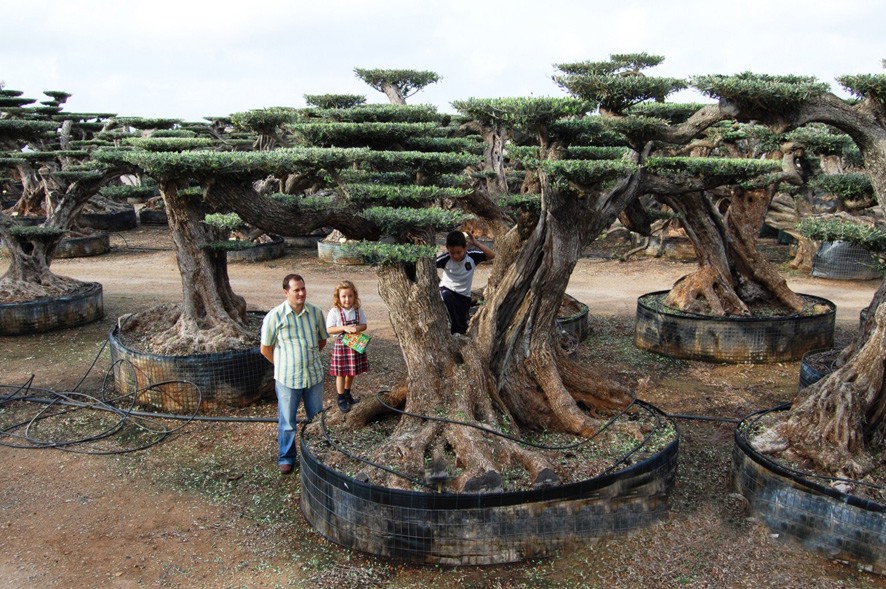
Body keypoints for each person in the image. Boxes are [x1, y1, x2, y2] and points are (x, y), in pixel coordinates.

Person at [260, 273, 328, 475]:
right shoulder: (275, 316)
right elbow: (265, 348)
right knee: (288, 422)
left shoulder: (315, 313)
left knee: (316, 418)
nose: (301, 293)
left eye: (303, 289)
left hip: (313, 377)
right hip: (288, 379)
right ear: (286, 292)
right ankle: (286, 457)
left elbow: (322, 340)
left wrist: (309, 358)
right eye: (296, 290)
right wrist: (282, 364)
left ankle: (318, 454)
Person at [436, 230, 495, 334]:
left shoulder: (472, 256)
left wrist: (476, 243)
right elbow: (429, 264)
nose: (455, 256)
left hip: (464, 296)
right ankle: (452, 332)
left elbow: (491, 255)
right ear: (447, 248)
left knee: (462, 325)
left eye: (459, 252)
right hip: (447, 289)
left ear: (466, 247)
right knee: (447, 298)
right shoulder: (445, 259)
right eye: (452, 253)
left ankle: (459, 333)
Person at [325, 280, 369, 413]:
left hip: (354, 345)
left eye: (350, 296)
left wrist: (357, 328)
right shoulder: (335, 312)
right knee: (341, 373)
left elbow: (364, 325)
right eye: (343, 296)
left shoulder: (357, 310)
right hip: (341, 346)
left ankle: (347, 393)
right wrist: (344, 328)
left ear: (354, 296)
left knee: (351, 372)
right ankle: (340, 397)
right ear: (338, 298)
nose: (347, 299)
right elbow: (329, 329)